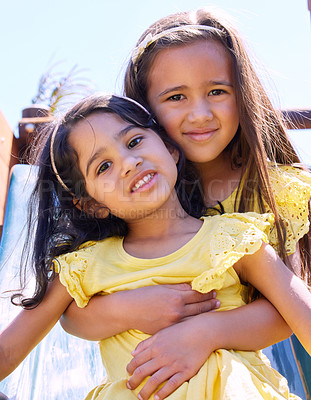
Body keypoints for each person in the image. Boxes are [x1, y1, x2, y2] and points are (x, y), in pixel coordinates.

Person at [61, 7, 311, 399]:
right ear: (144, 111)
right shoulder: (140, 187)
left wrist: (203, 332)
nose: (200, 113)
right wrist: (130, 308)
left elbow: (287, 308)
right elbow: (72, 307)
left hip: (239, 375)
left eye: (217, 91)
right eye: (176, 96)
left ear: (241, 92)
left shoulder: (273, 189)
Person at [1, 93, 311, 400]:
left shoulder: (233, 237)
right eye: (104, 166)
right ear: (93, 204)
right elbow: (8, 349)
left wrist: (205, 333)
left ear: (170, 148)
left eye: (134, 142)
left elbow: (298, 313)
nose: (127, 162)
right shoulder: (84, 266)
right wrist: (126, 311)